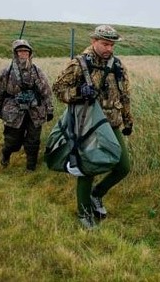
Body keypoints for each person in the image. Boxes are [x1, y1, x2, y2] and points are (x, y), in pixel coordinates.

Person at [52, 25, 133, 229]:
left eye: (112, 44)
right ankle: (84, 213)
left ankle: (97, 194)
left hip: (111, 123)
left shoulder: (117, 65)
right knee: (88, 168)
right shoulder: (79, 63)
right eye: (105, 44)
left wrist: (128, 120)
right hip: (87, 123)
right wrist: (80, 91)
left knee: (123, 167)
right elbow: (59, 89)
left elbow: (124, 95)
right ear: (93, 41)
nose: (109, 49)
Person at [0, 39, 54, 171]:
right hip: (13, 112)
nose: (23, 53)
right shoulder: (7, 72)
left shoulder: (37, 71)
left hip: (35, 111)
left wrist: (49, 109)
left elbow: (46, 92)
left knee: (33, 142)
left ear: (30, 53)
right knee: (12, 142)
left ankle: (30, 169)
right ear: (15, 53)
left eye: (26, 51)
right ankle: (5, 155)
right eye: (20, 51)